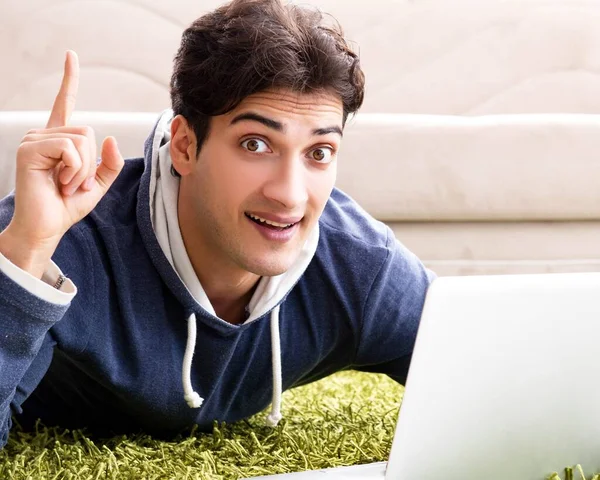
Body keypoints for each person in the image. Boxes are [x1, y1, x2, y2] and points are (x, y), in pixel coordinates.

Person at [0, 0, 434, 448]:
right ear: (185, 146)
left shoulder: (359, 266)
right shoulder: (60, 241)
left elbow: (491, 372)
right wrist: (27, 251)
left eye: (319, 152)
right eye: (255, 144)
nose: (290, 193)